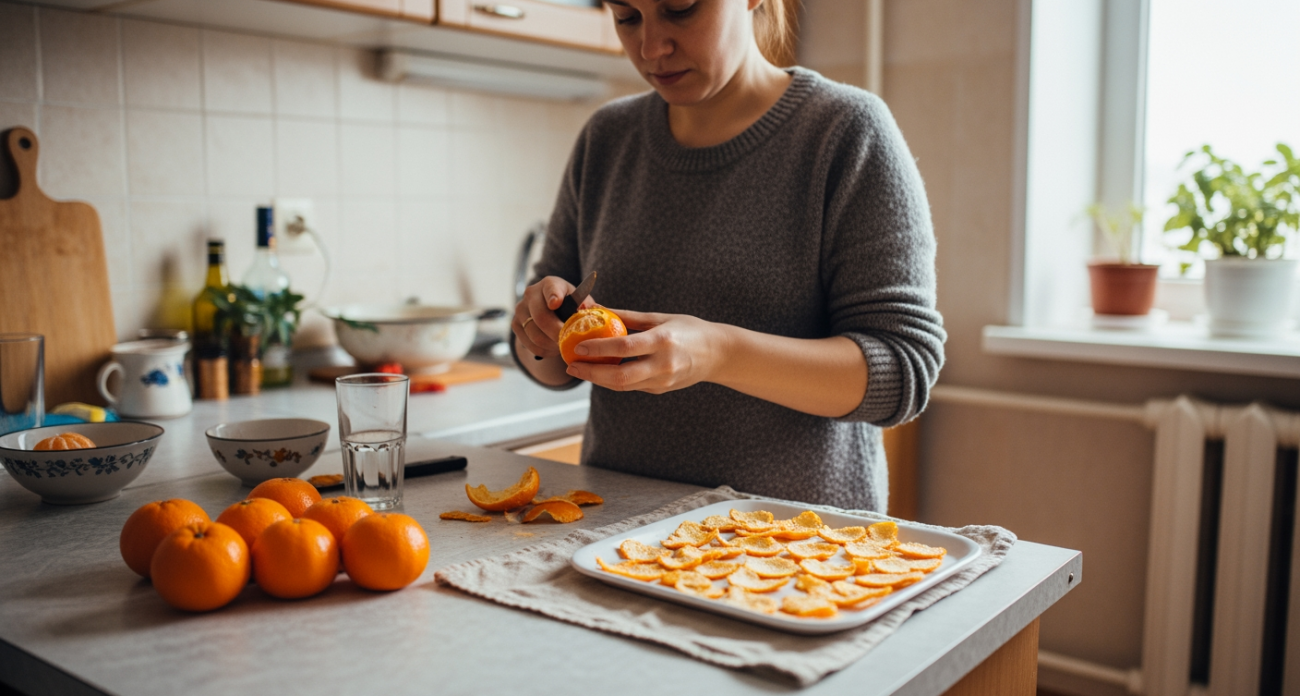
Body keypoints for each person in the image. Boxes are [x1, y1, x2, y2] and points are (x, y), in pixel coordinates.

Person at [510, 0, 945, 511]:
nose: (651, 47)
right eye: (627, 17)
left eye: (680, 9)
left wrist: (717, 353)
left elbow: (903, 371)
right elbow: (547, 363)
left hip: (793, 553)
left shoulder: (845, 131)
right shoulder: (606, 138)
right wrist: (540, 330)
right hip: (616, 541)